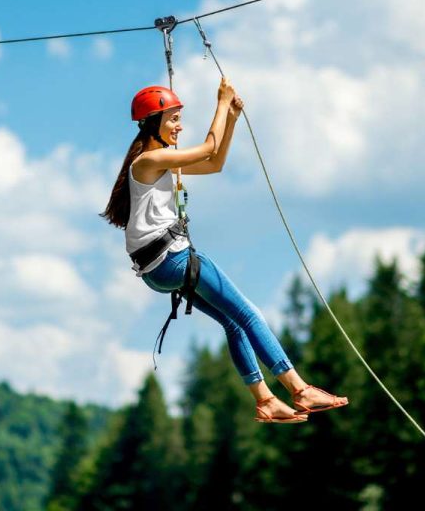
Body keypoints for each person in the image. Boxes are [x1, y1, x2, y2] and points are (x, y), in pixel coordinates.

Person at [100, 77, 349, 424]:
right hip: (172, 261)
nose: (179, 125)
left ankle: (265, 400)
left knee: (233, 323)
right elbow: (205, 149)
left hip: (157, 270)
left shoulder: (158, 161)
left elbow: (214, 163)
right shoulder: (149, 159)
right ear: (153, 123)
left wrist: (230, 119)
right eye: (173, 118)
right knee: (248, 314)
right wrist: (220, 102)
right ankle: (298, 388)